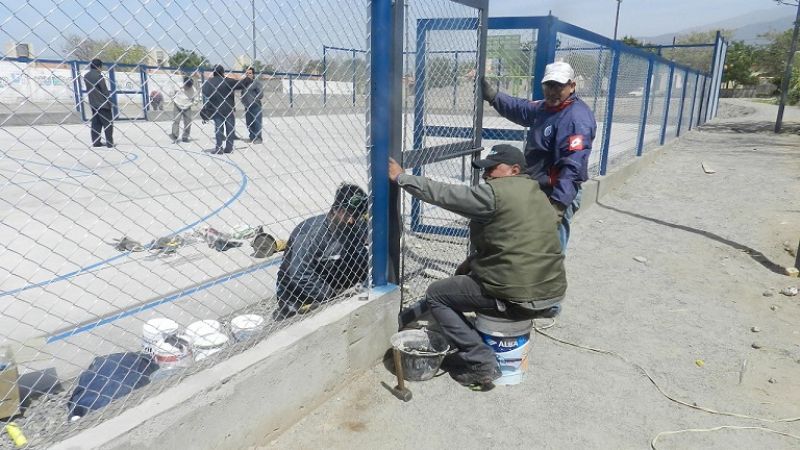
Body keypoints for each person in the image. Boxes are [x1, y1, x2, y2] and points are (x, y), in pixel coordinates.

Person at [389, 144, 566, 388]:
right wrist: (471, 262)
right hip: (549, 294)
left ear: (514, 169)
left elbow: (446, 194)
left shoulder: (496, 193)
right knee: (465, 283)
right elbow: (513, 242)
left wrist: (403, 178)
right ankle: (490, 337)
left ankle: (481, 360)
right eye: (485, 169)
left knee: (436, 295)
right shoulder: (539, 196)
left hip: (518, 297)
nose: (486, 175)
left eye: (493, 169)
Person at [482, 61, 596, 250]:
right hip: (538, 189)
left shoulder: (576, 119)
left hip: (556, 194)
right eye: (548, 85)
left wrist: (558, 206)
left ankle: (549, 279)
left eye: (558, 86)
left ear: (572, 86)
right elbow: (521, 108)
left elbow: (573, 166)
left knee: (548, 252)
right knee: (529, 246)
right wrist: (494, 97)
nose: (552, 91)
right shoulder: (547, 107)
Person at [273, 183, 369, 320]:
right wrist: (331, 297)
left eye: (357, 215)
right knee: (302, 320)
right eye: (348, 214)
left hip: (324, 272)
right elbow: (300, 274)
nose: (352, 220)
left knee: (360, 259)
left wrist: (364, 285)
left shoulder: (352, 225)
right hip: (294, 287)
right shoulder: (311, 233)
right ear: (336, 209)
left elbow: (361, 254)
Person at [201, 65, 243, 154]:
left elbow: (205, 92)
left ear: (214, 72)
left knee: (219, 129)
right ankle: (229, 147)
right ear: (223, 72)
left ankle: (219, 148)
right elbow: (241, 84)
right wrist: (249, 78)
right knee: (230, 129)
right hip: (229, 108)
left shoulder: (209, 82)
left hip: (216, 109)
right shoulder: (228, 81)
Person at [83, 58, 114, 148]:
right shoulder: (99, 76)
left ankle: (96, 142)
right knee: (107, 124)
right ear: (99, 67)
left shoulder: (86, 76)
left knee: (96, 124)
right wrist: (110, 102)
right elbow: (104, 91)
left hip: (93, 104)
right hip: (103, 104)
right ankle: (109, 143)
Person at [170, 76, 197, 143]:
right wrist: (173, 98)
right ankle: (175, 136)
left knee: (188, 122)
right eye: (186, 86)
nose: (187, 88)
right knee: (176, 121)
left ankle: (185, 137)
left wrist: (192, 103)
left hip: (187, 106)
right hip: (177, 105)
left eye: (189, 86)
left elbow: (196, 100)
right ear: (184, 83)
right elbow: (171, 92)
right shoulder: (178, 85)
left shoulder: (193, 90)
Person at [241, 67, 264, 144]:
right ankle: (252, 136)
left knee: (257, 122)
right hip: (247, 106)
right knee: (249, 122)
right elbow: (242, 93)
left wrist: (254, 99)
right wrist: (243, 100)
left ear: (253, 74)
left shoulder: (256, 83)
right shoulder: (244, 83)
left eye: (250, 73)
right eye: (247, 73)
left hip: (255, 106)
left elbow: (261, 94)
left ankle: (258, 138)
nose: (248, 75)